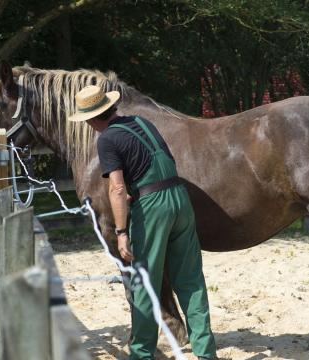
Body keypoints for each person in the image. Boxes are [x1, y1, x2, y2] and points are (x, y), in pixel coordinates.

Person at [68, 85, 217, 360]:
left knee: (145, 283)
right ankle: (206, 352)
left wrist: (122, 232)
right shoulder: (141, 122)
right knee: (191, 280)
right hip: (180, 199)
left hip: (152, 205)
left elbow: (116, 188)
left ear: (90, 119)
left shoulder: (107, 140)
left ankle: (141, 353)